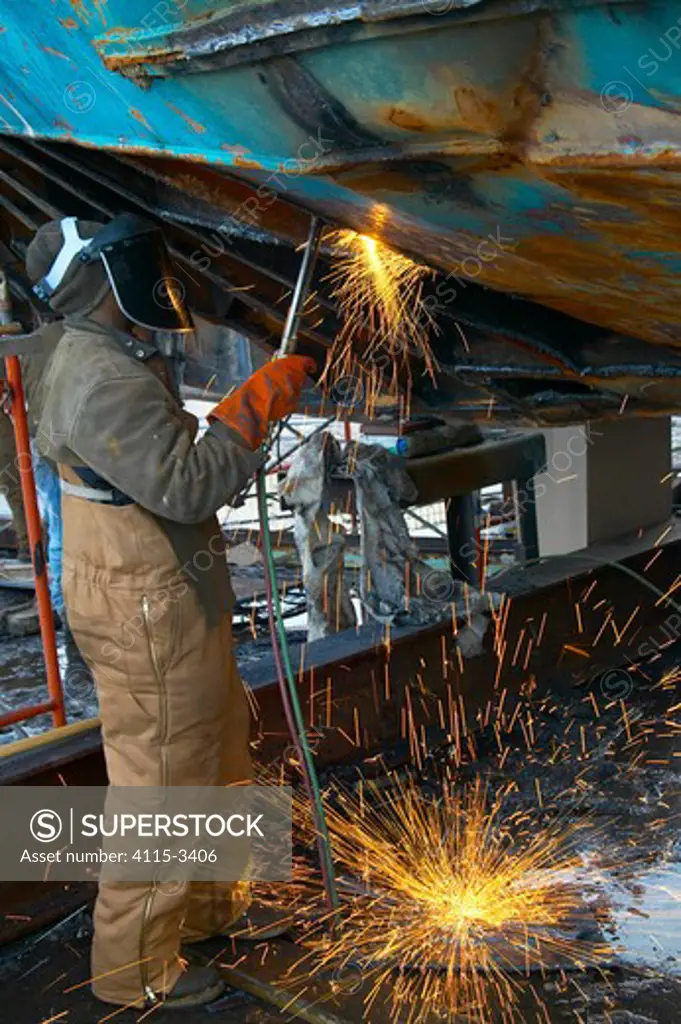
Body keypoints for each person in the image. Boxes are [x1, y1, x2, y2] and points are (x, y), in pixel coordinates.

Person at [26, 214, 315, 1010]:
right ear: (102, 281)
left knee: (217, 754)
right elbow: (188, 485)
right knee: (161, 788)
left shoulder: (95, 350)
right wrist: (255, 404)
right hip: (143, 605)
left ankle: (212, 912)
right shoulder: (104, 378)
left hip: (164, 589)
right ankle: (135, 971)